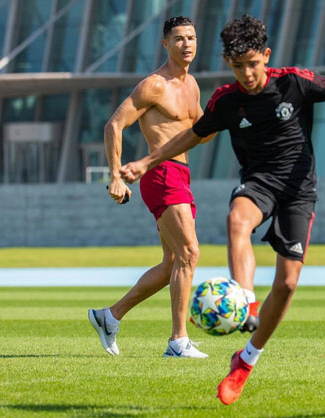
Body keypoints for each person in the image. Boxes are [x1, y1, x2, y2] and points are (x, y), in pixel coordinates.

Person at [120, 15, 325, 403]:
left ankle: (245, 361)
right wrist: (146, 162)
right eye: (237, 65)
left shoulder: (294, 82)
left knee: (289, 284)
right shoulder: (227, 101)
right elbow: (192, 136)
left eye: (253, 63)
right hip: (258, 182)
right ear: (229, 62)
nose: (246, 73)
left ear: (266, 56)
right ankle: (245, 301)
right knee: (236, 220)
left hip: (298, 190)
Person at [88, 16, 214, 359]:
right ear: (165, 44)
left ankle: (109, 316)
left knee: (172, 261)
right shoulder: (154, 86)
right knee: (190, 253)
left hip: (182, 175)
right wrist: (115, 175)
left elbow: (203, 130)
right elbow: (113, 125)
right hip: (161, 175)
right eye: (178, 38)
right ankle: (178, 342)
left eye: (191, 37)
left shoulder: (193, 87)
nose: (186, 44)